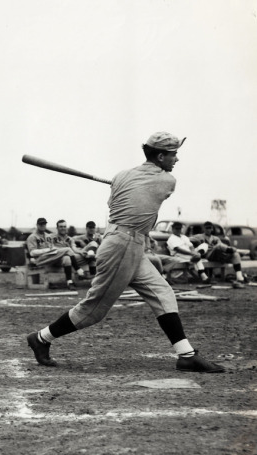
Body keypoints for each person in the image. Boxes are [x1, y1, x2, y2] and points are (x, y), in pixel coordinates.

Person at [26, 132, 224, 373]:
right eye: (173, 154)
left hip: (131, 242)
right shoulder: (167, 181)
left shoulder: (122, 176)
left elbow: (115, 205)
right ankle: (41, 338)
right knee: (94, 310)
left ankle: (186, 355)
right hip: (121, 245)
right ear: (160, 156)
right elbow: (144, 201)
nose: (176, 159)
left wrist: (126, 183)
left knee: (163, 294)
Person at [26, 218, 83, 290]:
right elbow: (32, 252)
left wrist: (53, 249)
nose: (43, 226)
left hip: (50, 258)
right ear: (37, 225)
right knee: (68, 249)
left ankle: (69, 282)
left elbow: (52, 247)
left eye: (44, 224)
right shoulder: (32, 237)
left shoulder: (48, 236)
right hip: (40, 259)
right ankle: (78, 269)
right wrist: (47, 250)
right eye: (41, 224)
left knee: (66, 258)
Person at [191, 221, 246, 288]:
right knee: (219, 246)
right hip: (209, 255)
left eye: (210, 228)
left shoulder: (215, 238)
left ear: (212, 229)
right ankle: (235, 250)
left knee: (235, 255)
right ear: (204, 229)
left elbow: (222, 246)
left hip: (218, 255)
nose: (208, 229)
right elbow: (187, 240)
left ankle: (240, 278)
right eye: (206, 228)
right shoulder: (199, 236)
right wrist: (196, 244)